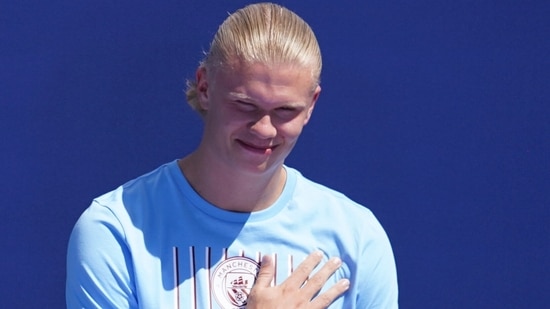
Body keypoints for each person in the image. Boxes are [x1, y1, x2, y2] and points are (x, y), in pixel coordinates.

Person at [66, 2, 398, 308]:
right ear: (205, 88)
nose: (265, 128)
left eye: (286, 110)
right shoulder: (115, 229)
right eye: (245, 105)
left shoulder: (357, 236)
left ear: (311, 105)